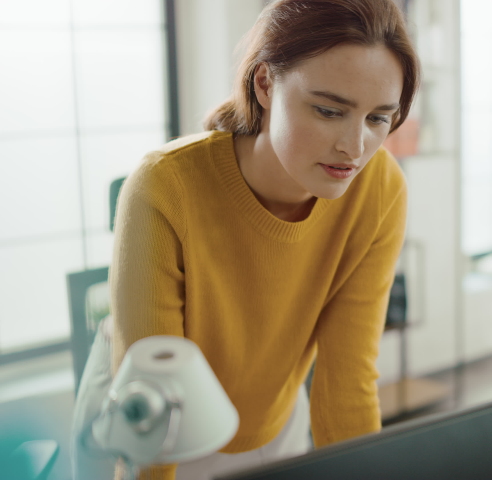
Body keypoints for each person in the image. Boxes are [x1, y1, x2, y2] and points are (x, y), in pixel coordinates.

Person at [75, 1, 420, 479]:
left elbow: (348, 380)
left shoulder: (379, 191)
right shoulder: (164, 188)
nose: (354, 146)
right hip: (146, 410)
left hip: (272, 413)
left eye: (379, 118)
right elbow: (153, 411)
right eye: (328, 110)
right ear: (264, 84)